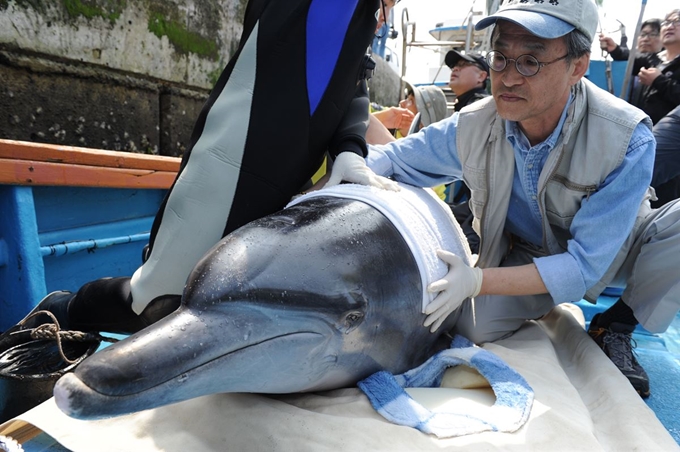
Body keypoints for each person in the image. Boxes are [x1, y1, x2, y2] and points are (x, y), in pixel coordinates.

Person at [0, 1, 399, 341]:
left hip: (288, 186)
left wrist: (350, 149)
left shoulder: (365, 16)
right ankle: (62, 311)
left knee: (228, 310)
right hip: (232, 156)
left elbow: (354, 79)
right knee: (160, 305)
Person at [356, 0, 680, 398]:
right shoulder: (476, 121)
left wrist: (478, 280)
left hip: (620, 251)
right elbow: (394, 158)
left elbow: (584, 267)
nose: (508, 78)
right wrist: (353, 164)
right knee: (471, 327)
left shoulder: (626, 137)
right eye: (500, 58)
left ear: (577, 66)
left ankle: (616, 326)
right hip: (533, 252)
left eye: (530, 61)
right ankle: (536, 296)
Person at [444, 50, 491, 254]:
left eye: (463, 65)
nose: (456, 69)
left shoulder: (478, 107)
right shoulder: (466, 106)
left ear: (482, 76)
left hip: (488, 204)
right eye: (455, 66)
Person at [599, 19, 663, 107]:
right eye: (642, 34)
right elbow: (628, 55)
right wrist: (614, 49)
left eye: (652, 34)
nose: (646, 39)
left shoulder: (665, 65)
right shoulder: (634, 65)